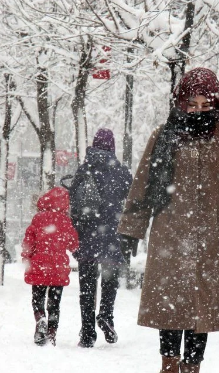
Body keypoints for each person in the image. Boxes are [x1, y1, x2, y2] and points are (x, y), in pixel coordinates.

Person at [118, 68, 219, 373]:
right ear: (181, 102)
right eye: (192, 104)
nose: (199, 111)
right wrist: (131, 230)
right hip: (169, 235)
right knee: (171, 308)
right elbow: (143, 184)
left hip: (211, 237)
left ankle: (193, 367)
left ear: (216, 105)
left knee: (203, 309)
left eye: (205, 105)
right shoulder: (163, 136)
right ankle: (169, 366)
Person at [69, 128, 133, 348]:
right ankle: (106, 314)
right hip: (112, 235)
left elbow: (73, 204)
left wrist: (77, 230)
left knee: (86, 287)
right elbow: (132, 199)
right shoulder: (121, 172)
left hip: (87, 235)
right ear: (112, 146)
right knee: (109, 280)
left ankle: (87, 332)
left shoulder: (83, 169)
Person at [21, 186, 79, 346]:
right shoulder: (66, 221)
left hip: (39, 265)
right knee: (54, 304)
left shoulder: (38, 219)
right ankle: (52, 335)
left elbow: (29, 242)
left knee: (37, 299)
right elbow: (73, 244)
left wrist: (26, 257)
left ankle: (40, 319)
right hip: (58, 269)